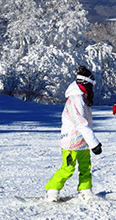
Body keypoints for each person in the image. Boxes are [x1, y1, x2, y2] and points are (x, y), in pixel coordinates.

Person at [44, 66, 103, 202]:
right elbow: (81, 123)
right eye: (90, 86)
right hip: (71, 141)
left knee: (85, 167)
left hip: (82, 141)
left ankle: (85, 190)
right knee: (68, 168)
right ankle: (52, 190)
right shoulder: (75, 98)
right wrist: (94, 143)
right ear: (85, 84)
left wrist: (90, 142)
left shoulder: (82, 98)